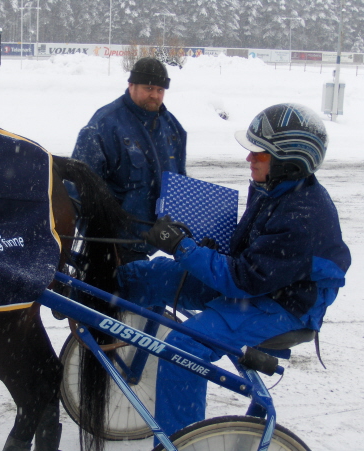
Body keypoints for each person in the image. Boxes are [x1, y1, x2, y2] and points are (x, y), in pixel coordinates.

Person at [117, 103, 351, 437]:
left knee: (182, 350)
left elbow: (242, 279)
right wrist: (201, 241)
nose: (249, 159)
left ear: (288, 162)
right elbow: (248, 250)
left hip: (282, 305)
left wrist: (183, 247)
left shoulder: (304, 216)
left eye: (259, 154)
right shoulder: (272, 186)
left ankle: (184, 442)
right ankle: (98, 295)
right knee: (151, 275)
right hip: (258, 282)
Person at [71, 57, 187, 263]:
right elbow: (79, 190)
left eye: (160, 90)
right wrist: (99, 242)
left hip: (159, 243)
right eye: (148, 88)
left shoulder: (173, 129)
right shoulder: (104, 125)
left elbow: (180, 183)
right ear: (131, 85)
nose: (155, 95)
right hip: (116, 245)